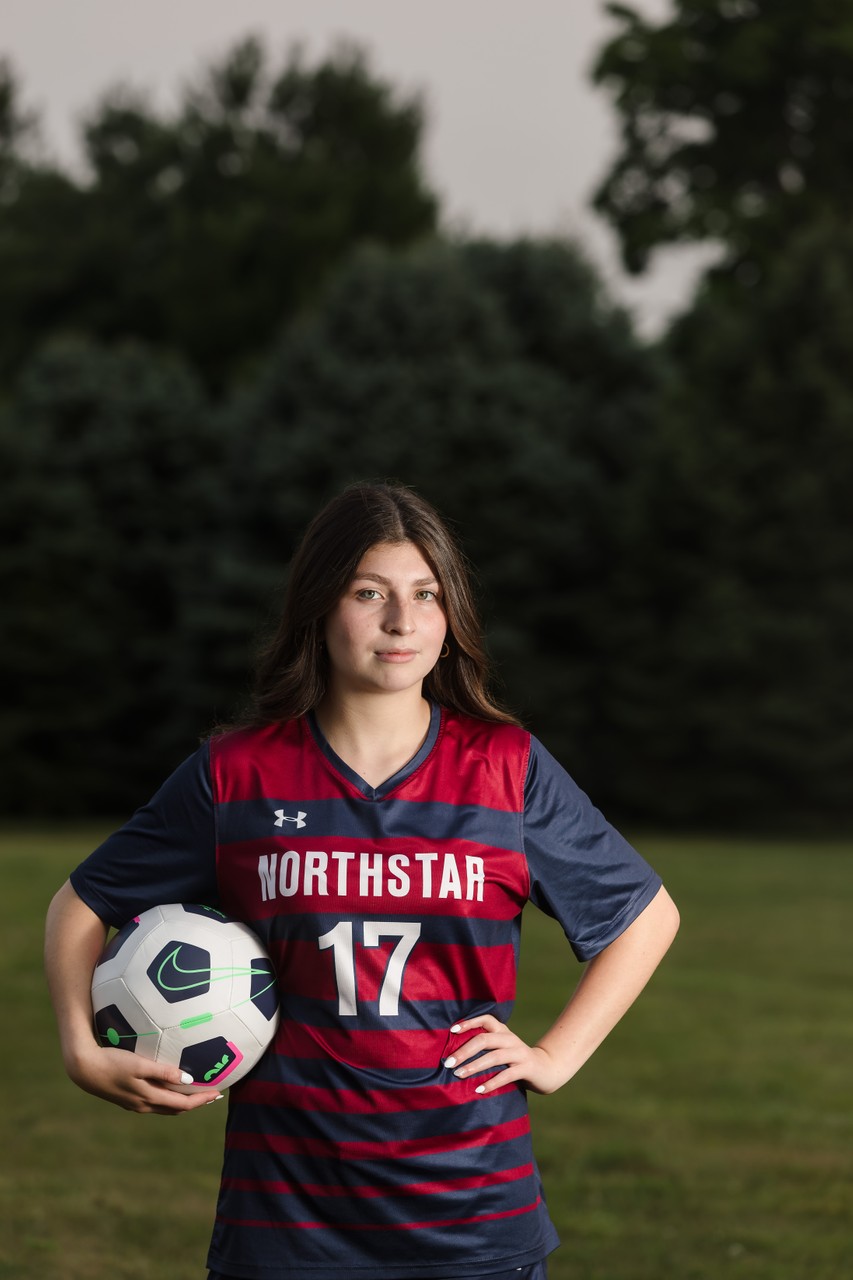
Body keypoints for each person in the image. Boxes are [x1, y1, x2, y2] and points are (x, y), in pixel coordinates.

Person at [45, 480, 680, 1280]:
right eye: (367, 592)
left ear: (451, 616)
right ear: (319, 606)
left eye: (425, 594)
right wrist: (79, 1048)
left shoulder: (505, 769)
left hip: (473, 1217)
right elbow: (82, 904)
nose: (400, 621)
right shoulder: (237, 775)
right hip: (285, 1219)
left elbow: (642, 914)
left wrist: (556, 1054)